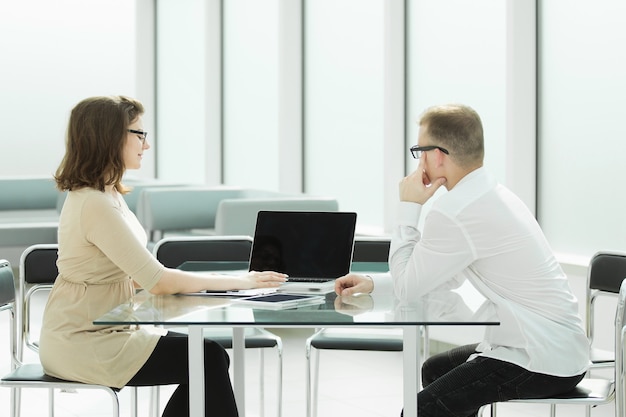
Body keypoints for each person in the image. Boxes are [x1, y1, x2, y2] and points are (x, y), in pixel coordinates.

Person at [38, 95, 287, 417]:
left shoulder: (107, 193)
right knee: (207, 357)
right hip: (84, 341)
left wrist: (230, 283)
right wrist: (243, 281)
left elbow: (141, 276)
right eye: (139, 134)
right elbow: (157, 281)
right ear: (109, 137)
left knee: (210, 357)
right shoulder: (94, 203)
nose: (146, 144)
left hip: (111, 328)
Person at [335, 104, 589, 417]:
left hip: (538, 360)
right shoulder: (491, 193)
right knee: (435, 369)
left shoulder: (455, 210)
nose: (419, 161)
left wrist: (408, 207)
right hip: (563, 351)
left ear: (438, 155)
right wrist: (375, 283)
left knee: (418, 410)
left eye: (420, 151)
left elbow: (408, 289)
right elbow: (441, 276)